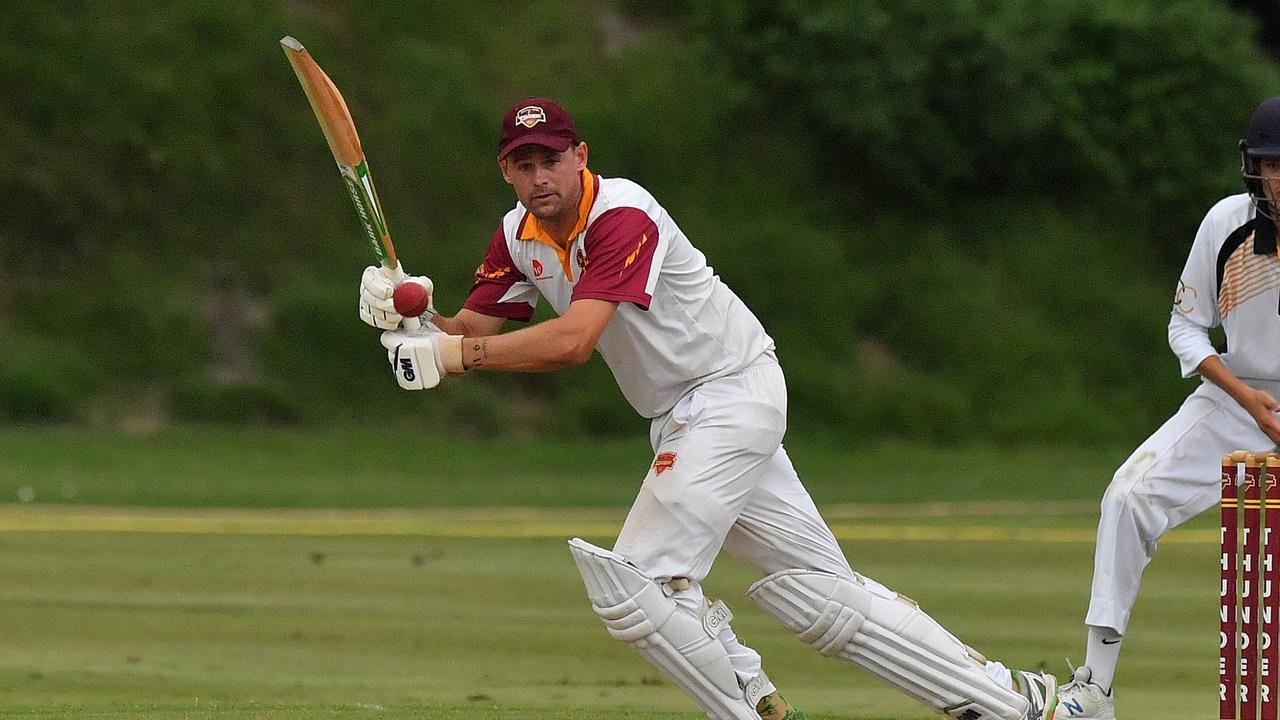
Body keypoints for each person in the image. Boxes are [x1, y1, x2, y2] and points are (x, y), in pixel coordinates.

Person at [358, 96, 1057, 720]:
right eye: (523, 163)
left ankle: (755, 705)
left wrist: (451, 357)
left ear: (580, 157)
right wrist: (409, 318)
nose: (539, 176)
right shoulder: (518, 235)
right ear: (505, 172)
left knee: (637, 585)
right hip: (686, 416)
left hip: (729, 390)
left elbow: (573, 342)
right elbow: (470, 335)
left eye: (551, 159)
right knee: (824, 596)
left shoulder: (621, 215)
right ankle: (1018, 704)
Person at [1054, 96, 1280, 720]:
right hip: (1238, 397)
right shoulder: (1226, 225)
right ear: (1255, 168)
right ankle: (1094, 690)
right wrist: (1245, 398)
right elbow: (1185, 327)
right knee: (1126, 497)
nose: (1279, 179)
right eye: (1271, 165)